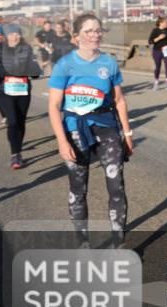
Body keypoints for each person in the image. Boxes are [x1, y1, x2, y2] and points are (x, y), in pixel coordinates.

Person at [48, 13, 133, 247]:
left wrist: (127, 134)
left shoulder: (109, 63)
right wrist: (62, 142)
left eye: (98, 30)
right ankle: (82, 242)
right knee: (78, 187)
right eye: (89, 31)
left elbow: (120, 101)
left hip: (106, 127)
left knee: (117, 185)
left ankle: (119, 242)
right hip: (75, 128)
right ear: (77, 36)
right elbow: (54, 107)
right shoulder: (65, 65)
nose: (95, 35)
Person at [0, 25, 42, 169]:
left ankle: (17, 149)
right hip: (5, 90)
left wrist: (35, 69)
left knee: (20, 122)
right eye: (12, 34)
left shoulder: (26, 49)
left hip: (23, 90)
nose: (15, 37)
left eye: (17, 34)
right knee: (12, 121)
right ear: (6, 36)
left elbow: (35, 69)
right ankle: (15, 155)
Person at [148, 16, 167, 90]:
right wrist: (159, 38)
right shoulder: (155, 31)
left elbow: (166, 37)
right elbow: (150, 42)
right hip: (157, 50)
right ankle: (156, 82)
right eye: (165, 22)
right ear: (161, 23)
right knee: (158, 67)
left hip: (166, 49)